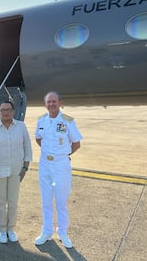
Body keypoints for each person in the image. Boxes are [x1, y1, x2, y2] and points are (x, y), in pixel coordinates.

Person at [34, 91, 82, 249]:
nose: (51, 104)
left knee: (61, 202)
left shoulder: (68, 121)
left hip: (61, 166)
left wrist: (62, 155)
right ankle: (47, 232)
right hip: (45, 165)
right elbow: (38, 138)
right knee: (46, 201)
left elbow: (76, 143)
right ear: (45, 104)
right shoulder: (41, 120)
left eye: (54, 101)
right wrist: (49, 154)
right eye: (49, 102)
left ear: (60, 103)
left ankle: (62, 232)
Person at [0, 100, 32, 244]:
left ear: (13, 111)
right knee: (0, 201)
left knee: (13, 202)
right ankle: (2, 230)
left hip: (17, 170)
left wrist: (25, 168)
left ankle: (11, 229)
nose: (5, 112)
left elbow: (27, 147)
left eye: (8, 109)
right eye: (3, 110)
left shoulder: (21, 127)